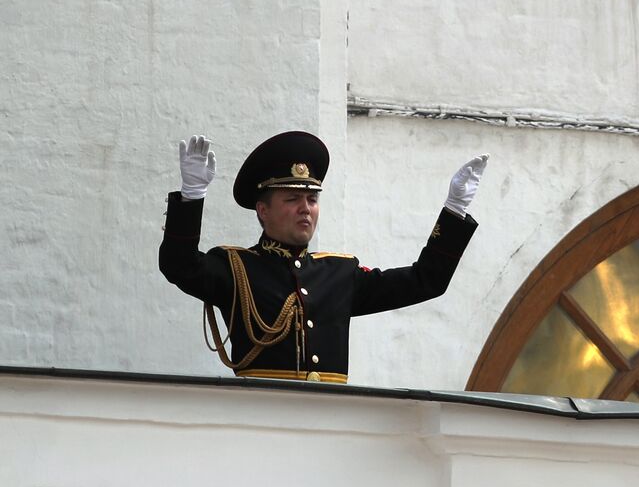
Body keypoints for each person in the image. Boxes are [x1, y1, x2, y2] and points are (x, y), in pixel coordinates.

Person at [159, 130, 488, 384]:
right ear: (263, 210)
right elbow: (180, 265)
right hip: (261, 418)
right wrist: (192, 197)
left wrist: (454, 210)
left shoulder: (339, 273)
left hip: (330, 419)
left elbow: (425, 281)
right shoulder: (237, 269)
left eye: (312, 199)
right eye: (292, 199)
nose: (306, 208)